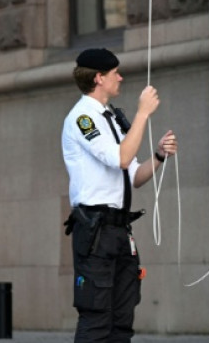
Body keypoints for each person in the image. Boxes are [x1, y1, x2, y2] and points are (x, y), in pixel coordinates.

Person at [61, 48, 178, 343]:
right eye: (115, 73)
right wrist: (142, 113)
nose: (121, 78)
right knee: (96, 318)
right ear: (99, 78)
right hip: (95, 231)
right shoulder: (83, 118)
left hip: (118, 229)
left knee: (122, 319)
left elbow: (135, 175)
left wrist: (159, 156)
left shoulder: (110, 118)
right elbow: (121, 159)